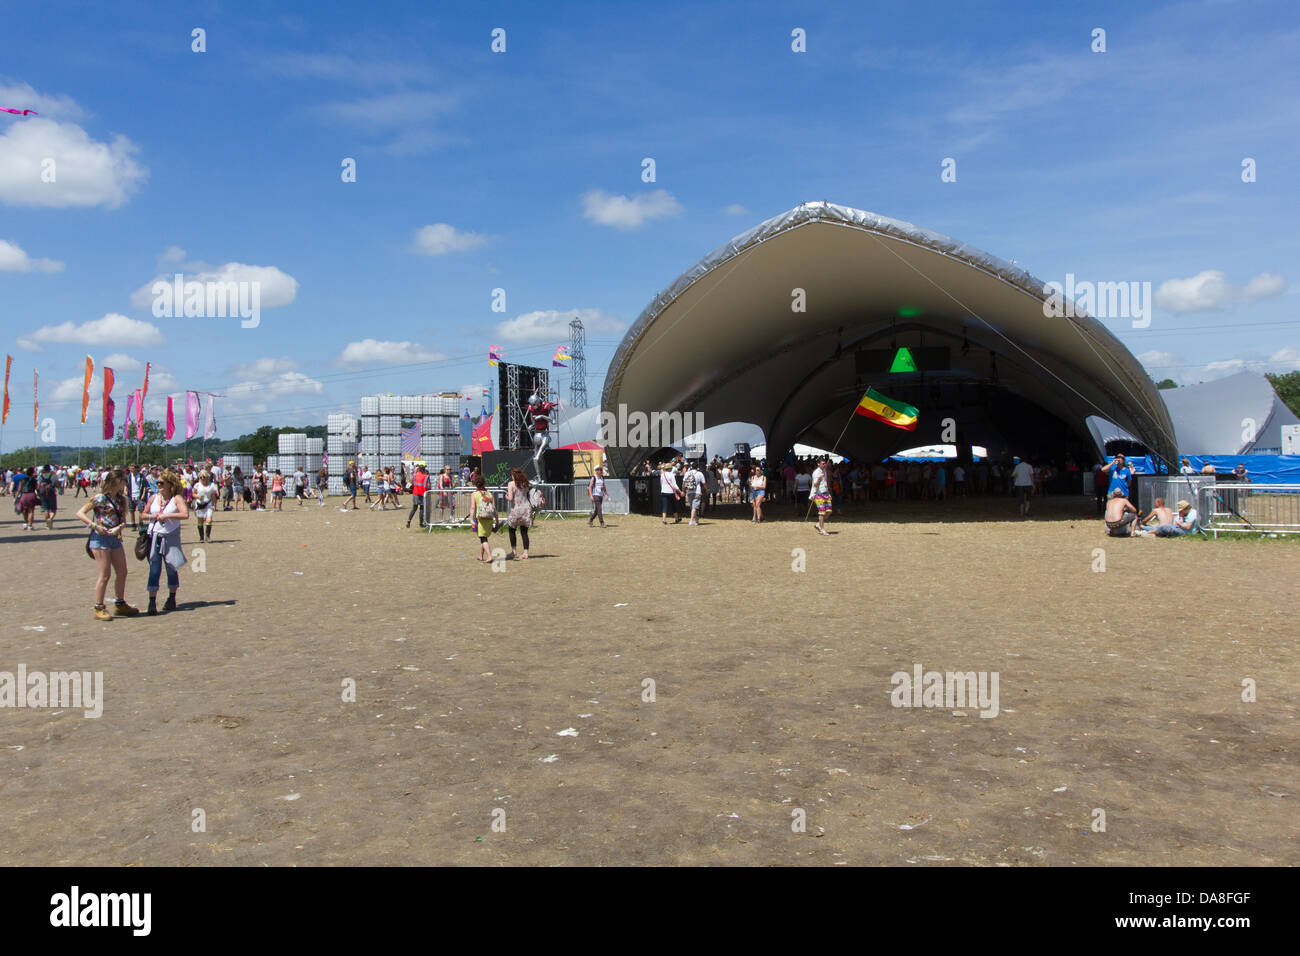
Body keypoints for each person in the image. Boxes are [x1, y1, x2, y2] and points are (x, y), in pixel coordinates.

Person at [75, 468, 140, 620]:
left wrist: (120, 527)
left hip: (115, 538)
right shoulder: (99, 498)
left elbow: (124, 520)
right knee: (105, 575)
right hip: (100, 538)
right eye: (123, 480)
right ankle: (99, 607)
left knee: (122, 571)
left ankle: (120, 603)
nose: (125, 483)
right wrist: (95, 526)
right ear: (115, 481)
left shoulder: (120, 499)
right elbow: (80, 513)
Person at [143, 469, 189, 614]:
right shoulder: (153, 498)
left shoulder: (177, 499)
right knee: (154, 569)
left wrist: (167, 515)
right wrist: (152, 516)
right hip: (155, 537)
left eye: (161, 483)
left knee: (171, 567)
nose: (159, 485)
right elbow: (142, 514)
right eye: (158, 483)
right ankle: (152, 602)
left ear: (170, 484)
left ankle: (171, 597)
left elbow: (185, 514)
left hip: (171, 537)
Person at [505, 467, 535, 557]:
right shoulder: (526, 483)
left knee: (512, 530)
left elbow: (510, 498)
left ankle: (514, 551)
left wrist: (506, 496)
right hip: (526, 509)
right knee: (524, 532)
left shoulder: (511, 484)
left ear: (513, 475)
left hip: (516, 509)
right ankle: (525, 553)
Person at [470, 475, 496, 562]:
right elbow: (494, 508)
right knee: (484, 537)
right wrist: (497, 519)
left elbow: (473, 508)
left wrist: (471, 519)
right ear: (484, 483)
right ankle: (481, 555)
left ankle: (489, 556)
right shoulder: (490, 494)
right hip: (489, 518)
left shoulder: (474, 494)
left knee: (483, 538)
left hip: (480, 519)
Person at [191, 470, 217, 542]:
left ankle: (207, 536)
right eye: (200, 477)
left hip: (208, 504)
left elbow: (213, 496)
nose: (202, 478)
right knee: (200, 521)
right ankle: (201, 537)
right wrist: (197, 497)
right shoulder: (197, 485)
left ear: (207, 477)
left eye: (204, 477)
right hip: (199, 504)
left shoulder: (211, 485)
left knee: (209, 520)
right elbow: (193, 494)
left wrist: (214, 505)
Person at [125, 463, 147, 530]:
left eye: (133, 468)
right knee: (131, 510)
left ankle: (140, 523)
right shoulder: (128, 476)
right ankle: (133, 524)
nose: (131, 469)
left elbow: (144, 486)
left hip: (139, 495)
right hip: (131, 495)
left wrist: (143, 494)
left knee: (141, 510)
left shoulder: (141, 476)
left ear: (137, 469)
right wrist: (125, 490)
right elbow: (126, 485)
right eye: (130, 468)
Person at [407, 464, 429, 528]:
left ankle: (409, 520)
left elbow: (411, 483)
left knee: (414, 508)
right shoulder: (426, 477)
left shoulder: (415, 475)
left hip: (415, 493)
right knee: (421, 508)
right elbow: (426, 486)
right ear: (424, 470)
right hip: (422, 493)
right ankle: (420, 523)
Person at [37, 465, 58, 530]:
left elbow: (38, 485)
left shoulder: (41, 476)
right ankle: (50, 519)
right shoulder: (53, 475)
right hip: (51, 493)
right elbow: (55, 484)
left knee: (45, 509)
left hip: (43, 493)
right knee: (53, 509)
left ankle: (47, 524)